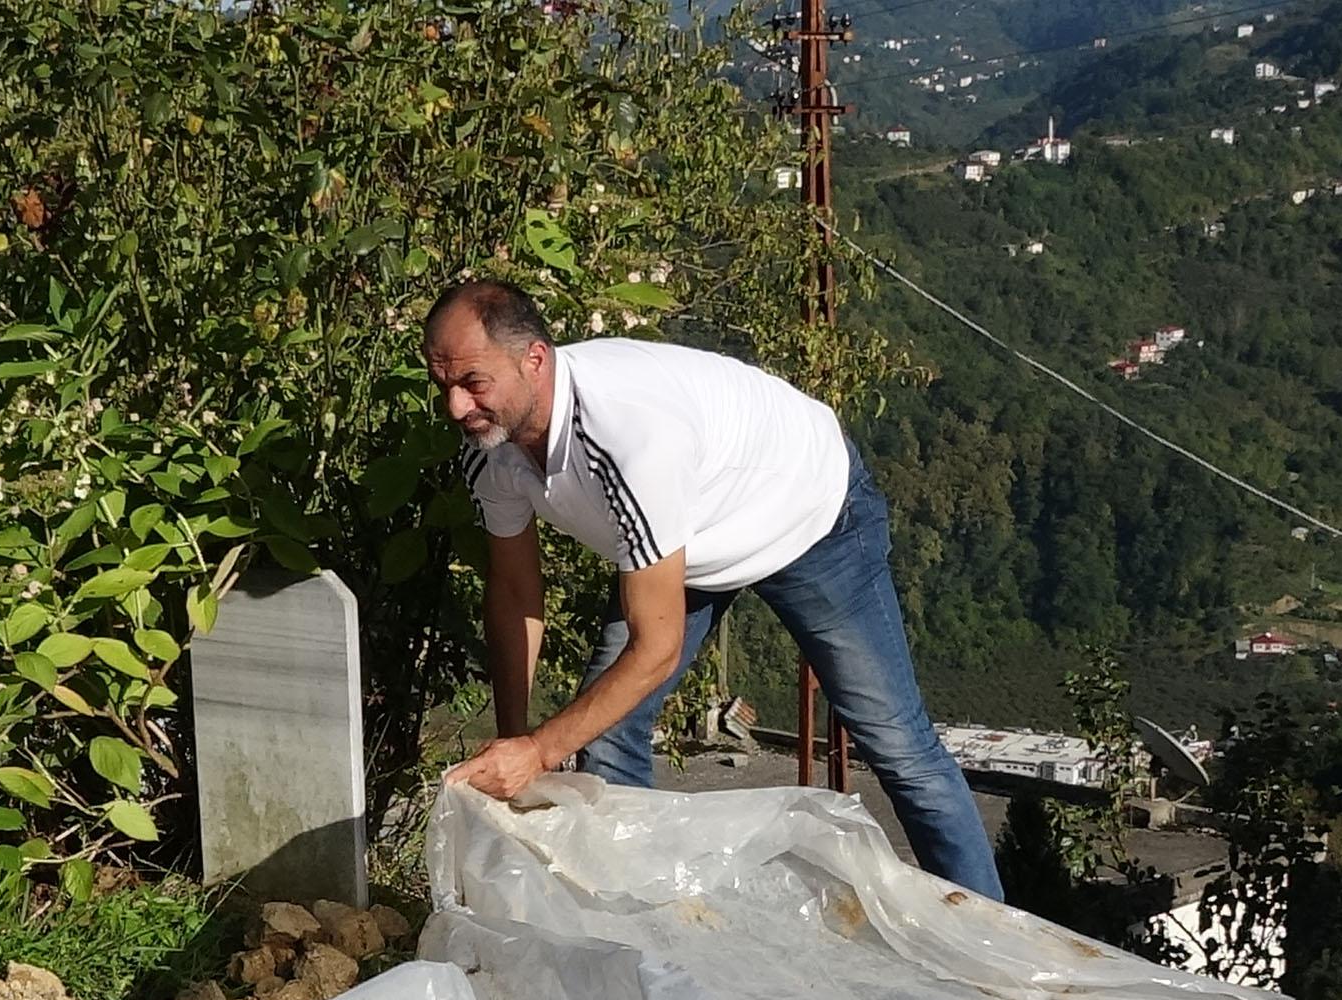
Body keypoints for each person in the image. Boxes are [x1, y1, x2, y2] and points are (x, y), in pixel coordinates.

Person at [424, 278, 1004, 899]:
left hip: (810, 515)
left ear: (534, 359)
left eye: (473, 383)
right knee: (608, 734)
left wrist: (536, 753)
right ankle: (641, 934)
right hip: (686, 543)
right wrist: (512, 739)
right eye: (444, 386)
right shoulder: (492, 447)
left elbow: (657, 650)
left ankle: (996, 948)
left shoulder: (625, 437)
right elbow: (515, 590)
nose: (457, 407)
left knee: (896, 744)